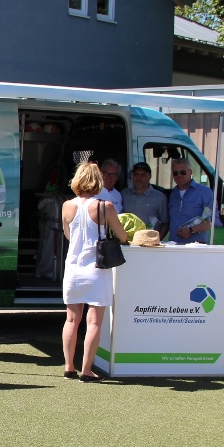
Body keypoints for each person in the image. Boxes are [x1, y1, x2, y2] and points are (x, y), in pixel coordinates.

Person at [61, 162, 128, 381]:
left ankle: (69, 367)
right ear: (97, 181)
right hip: (96, 269)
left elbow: (68, 235)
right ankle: (87, 370)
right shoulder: (105, 206)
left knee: (71, 320)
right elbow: (122, 236)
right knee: (94, 322)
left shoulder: (67, 206)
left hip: (73, 268)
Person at [167, 158, 220, 244]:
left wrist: (191, 230)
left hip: (195, 247)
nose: (179, 175)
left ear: (190, 172)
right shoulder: (173, 194)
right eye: (175, 173)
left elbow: (213, 220)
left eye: (183, 172)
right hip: (173, 245)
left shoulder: (204, 192)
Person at [120, 161, 168, 238]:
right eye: (136, 174)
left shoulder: (160, 197)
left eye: (143, 175)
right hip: (127, 244)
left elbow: (165, 223)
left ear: (150, 176)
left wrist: (157, 240)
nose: (139, 177)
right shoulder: (124, 194)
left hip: (149, 244)